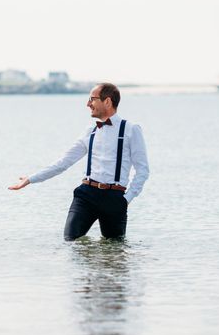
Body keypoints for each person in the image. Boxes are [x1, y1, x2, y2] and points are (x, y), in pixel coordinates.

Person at [8, 83, 149, 241]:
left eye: (92, 99)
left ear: (107, 102)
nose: (88, 104)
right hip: (86, 195)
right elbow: (63, 162)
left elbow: (142, 171)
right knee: (70, 242)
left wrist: (126, 199)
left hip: (115, 198)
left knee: (115, 252)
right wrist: (30, 179)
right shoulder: (91, 131)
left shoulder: (131, 129)